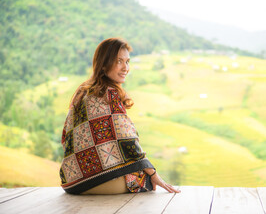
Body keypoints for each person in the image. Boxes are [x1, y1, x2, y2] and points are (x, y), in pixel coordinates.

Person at [59, 37, 180, 195]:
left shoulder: (82, 91)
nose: (125, 68)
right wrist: (154, 174)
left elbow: (65, 137)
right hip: (95, 183)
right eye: (119, 61)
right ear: (103, 64)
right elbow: (127, 140)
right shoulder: (109, 93)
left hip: (70, 183)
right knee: (145, 180)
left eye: (127, 61)